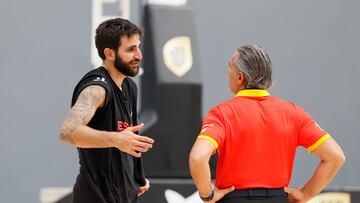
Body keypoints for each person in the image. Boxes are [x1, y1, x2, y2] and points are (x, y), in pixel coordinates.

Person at [189, 44, 345, 203]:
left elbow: (198, 158)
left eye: (229, 67)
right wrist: (305, 194)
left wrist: (207, 195)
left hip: (233, 198)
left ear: (240, 77)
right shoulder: (293, 113)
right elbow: (335, 156)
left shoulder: (221, 113)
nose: (228, 72)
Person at [59, 18, 155, 203]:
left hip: (123, 194)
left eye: (138, 47)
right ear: (109, 54)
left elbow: (127, 141)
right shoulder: (97, 89)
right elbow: (68, 132)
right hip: (96, 196)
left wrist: (136, 178)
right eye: (130, 49)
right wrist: (116, 139)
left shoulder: (129, 86)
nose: (139, 55)